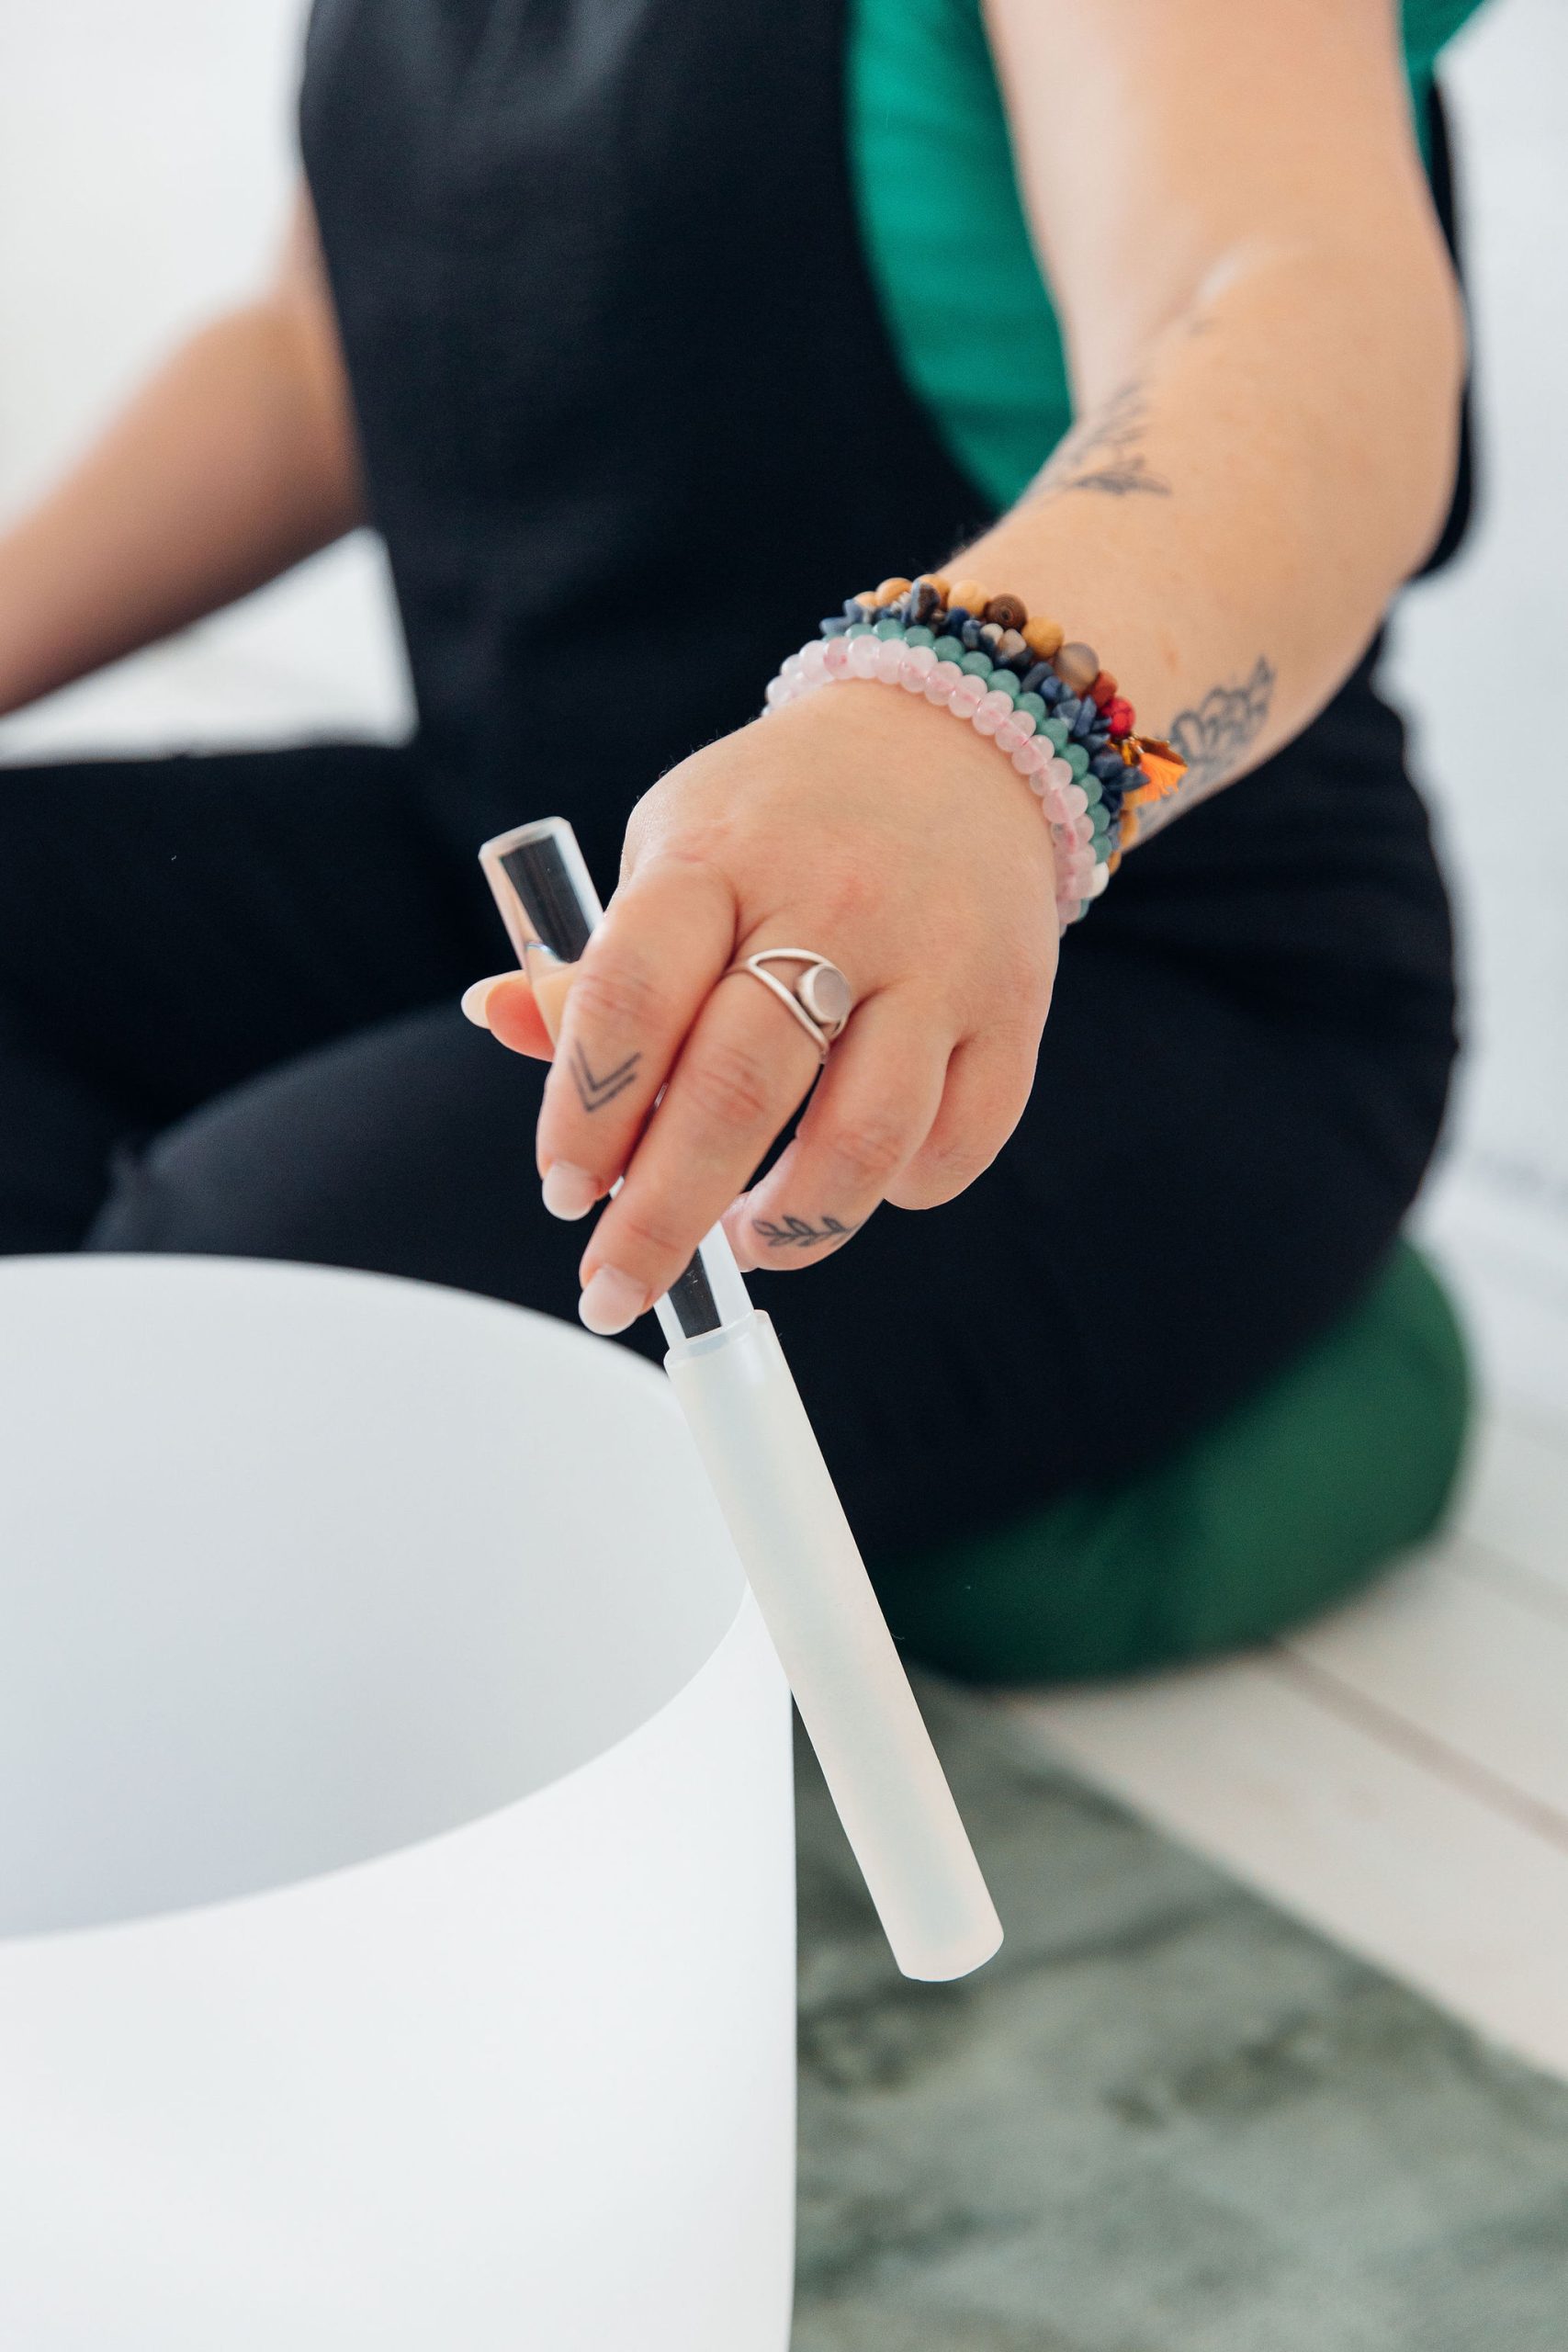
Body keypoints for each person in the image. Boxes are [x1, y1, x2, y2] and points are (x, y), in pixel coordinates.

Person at [0, 0, 1482, 1678]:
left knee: (265, 1345)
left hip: (1123, 978)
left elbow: (1280, 301)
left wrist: (954, 725)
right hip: (550, 851)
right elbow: (307, 354)